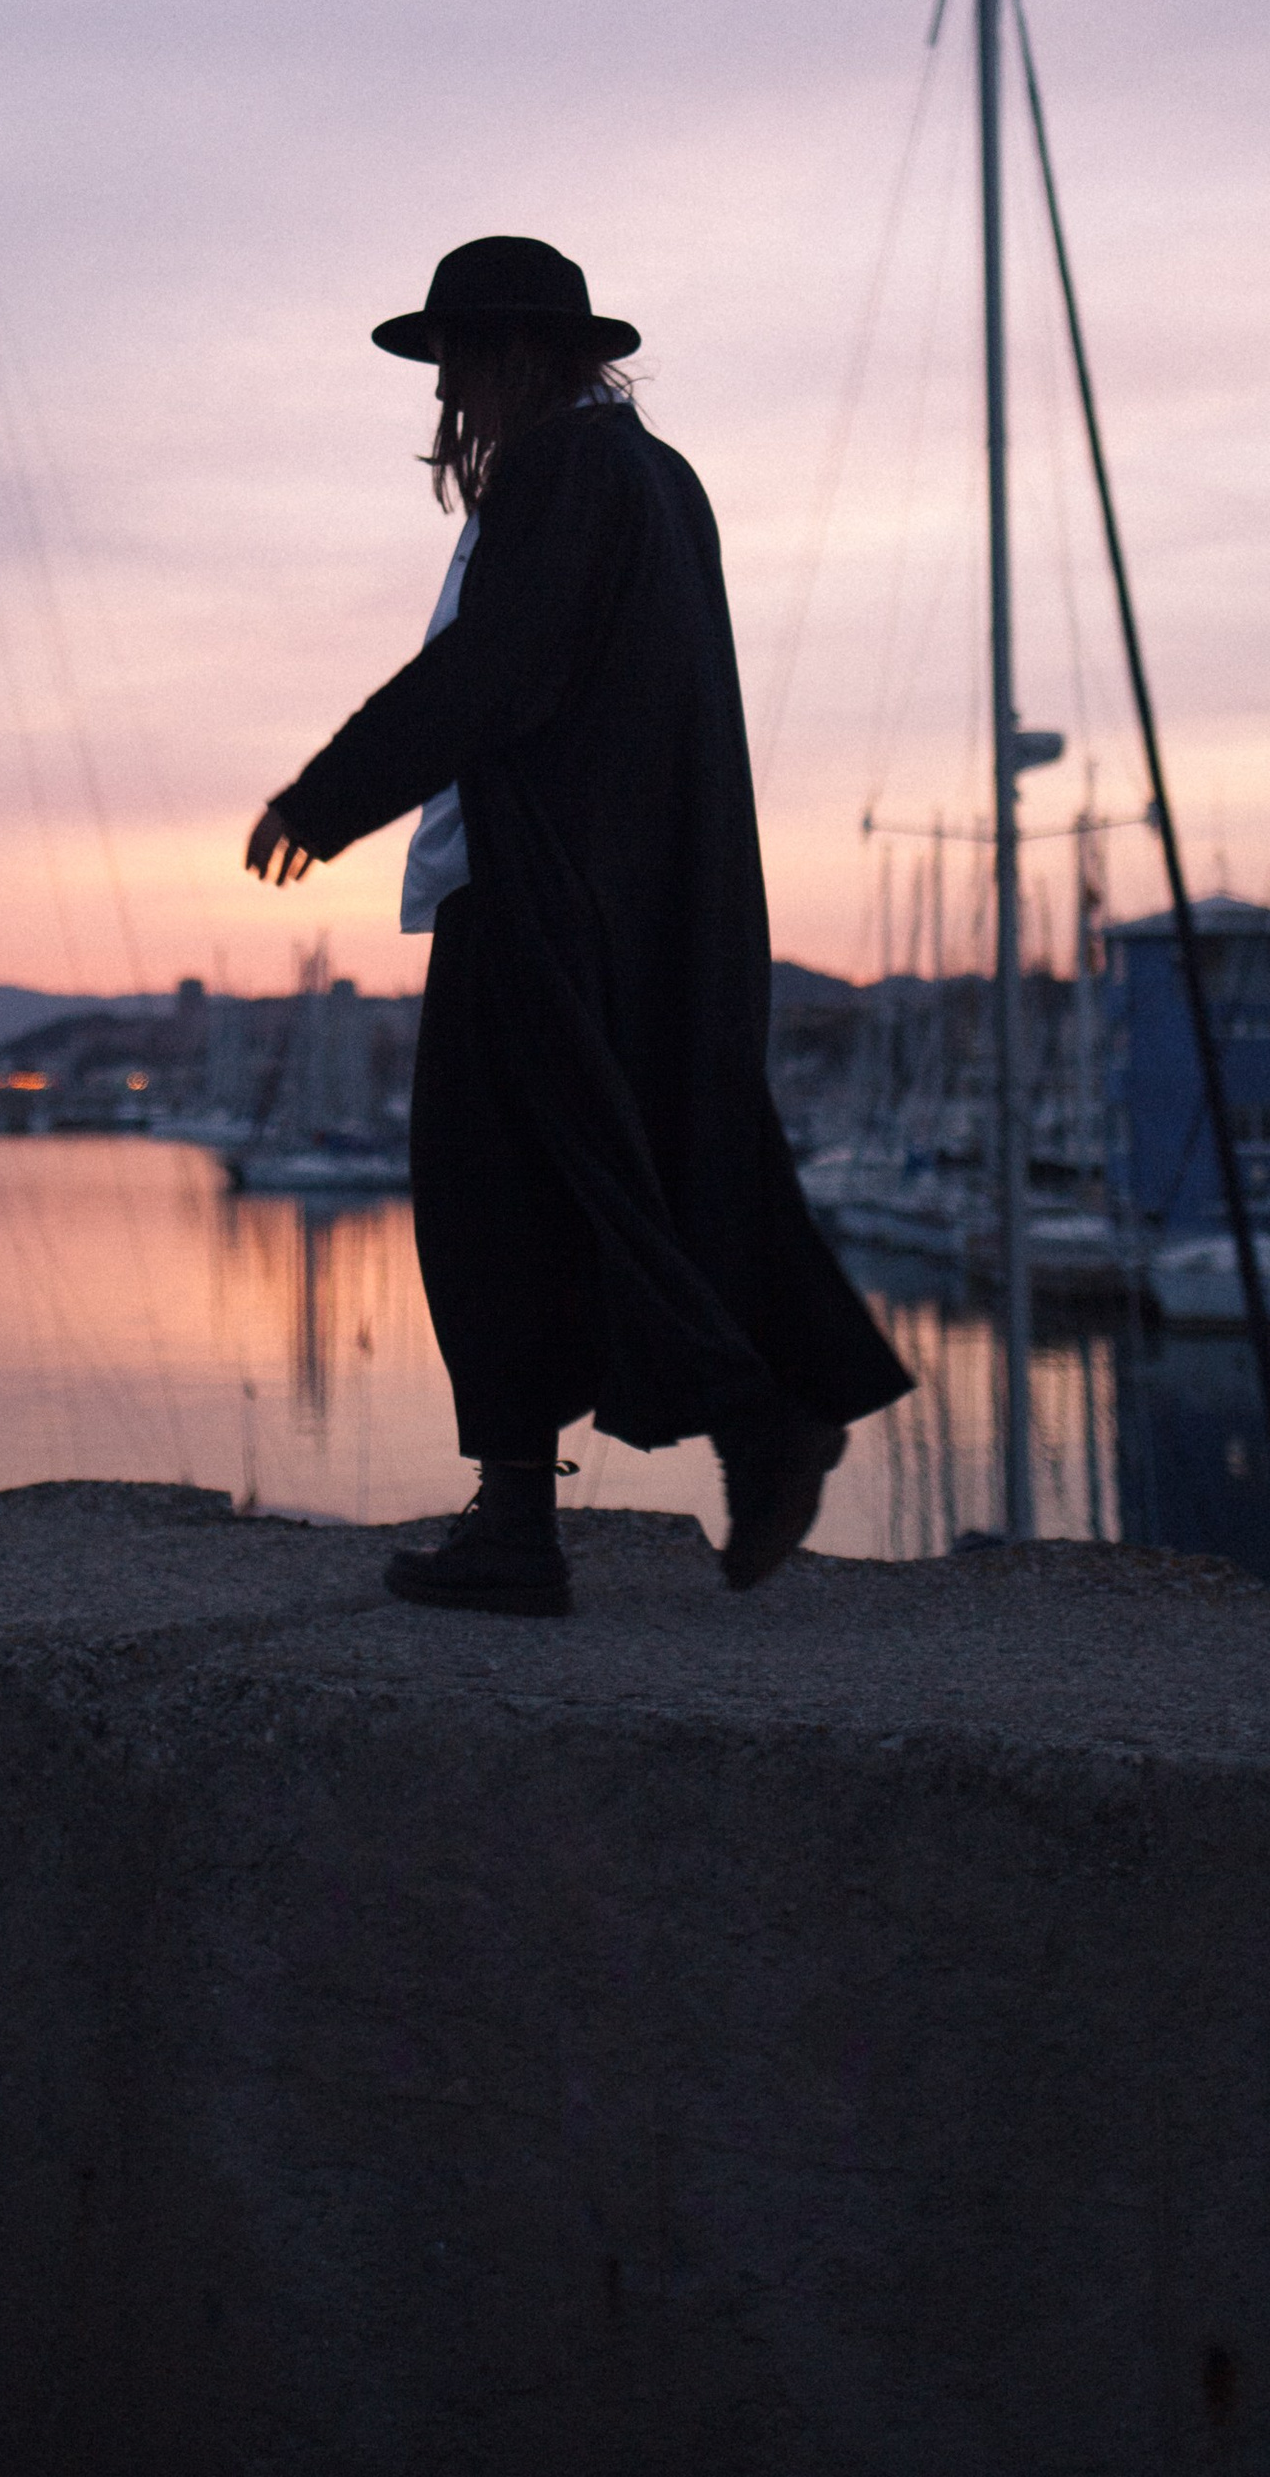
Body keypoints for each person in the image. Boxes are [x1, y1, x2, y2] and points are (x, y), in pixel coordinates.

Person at [246, 234, 911, 1616]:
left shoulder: (567, 474)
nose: (451, 402)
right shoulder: (657, 478)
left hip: (539, 895)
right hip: (632, 894)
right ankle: (656, 1458)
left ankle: (570, 1498)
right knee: (599, 1179)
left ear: (514, 355)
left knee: (491, 1197)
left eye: (460, 366)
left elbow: (494, 673)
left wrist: (332, 794)